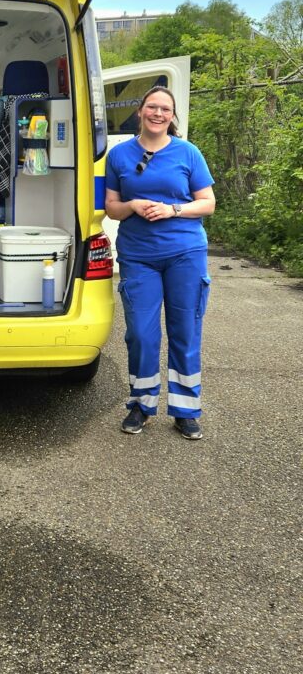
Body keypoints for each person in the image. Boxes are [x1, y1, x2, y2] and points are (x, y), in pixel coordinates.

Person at [105, 86, 216, 440]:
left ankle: (186, 410)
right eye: (152, 106)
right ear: (140, 111)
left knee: (185, 332)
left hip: (185, 253)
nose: (158, 113)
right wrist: (133, 205)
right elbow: (111, 207)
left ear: (172, 116)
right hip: (138, 256)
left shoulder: (188, 152)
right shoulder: (119, 155)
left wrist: (174, 209)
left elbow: (208, 203)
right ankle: (141, 404)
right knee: (140, 333)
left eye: (165, 109)